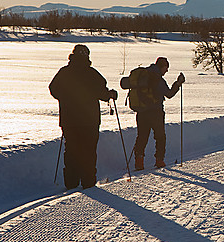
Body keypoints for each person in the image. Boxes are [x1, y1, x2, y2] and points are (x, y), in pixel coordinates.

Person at [49, 44, 118, 189]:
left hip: (69, 120)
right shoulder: (92, 74)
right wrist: (111, 94)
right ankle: (88, 182)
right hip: (89, 121)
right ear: (87, 56)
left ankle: (71, 183)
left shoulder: (64, 72)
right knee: (88, 151)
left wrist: (65, 98)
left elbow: (53, 89)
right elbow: (102, 93)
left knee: (71, 150)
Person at [132, 57, 185, 170]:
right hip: (155, 112)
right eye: (166, 68)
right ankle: (159, 160)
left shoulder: (144, 75)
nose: (166, 71)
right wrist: (178, 83)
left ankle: (139, 162)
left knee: (142, 136)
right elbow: (169, 94)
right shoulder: (157, 79)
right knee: (160, 137)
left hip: (141, 112)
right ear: (162, 67)